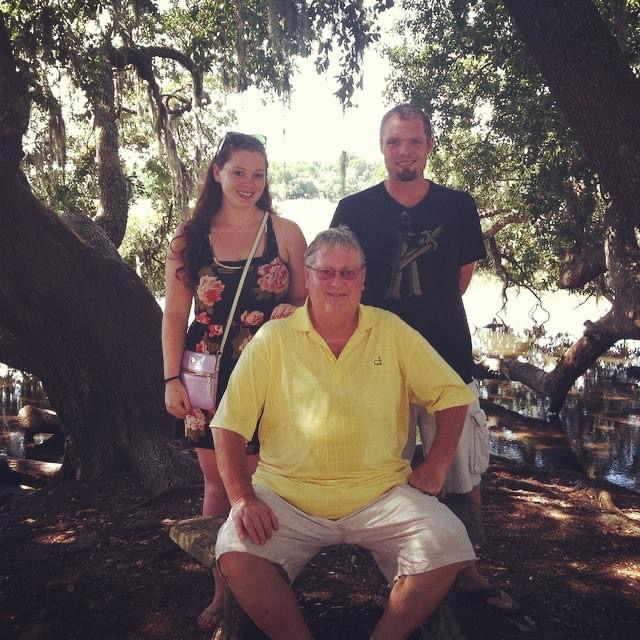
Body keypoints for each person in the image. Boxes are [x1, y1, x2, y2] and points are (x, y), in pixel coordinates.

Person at [211, 227, 477, 640]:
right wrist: (243, 498)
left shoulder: (390, 330)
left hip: (380, 494)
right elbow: (228, 424)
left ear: (364, 278)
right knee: (236, 553)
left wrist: (438, 464)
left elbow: (452, 394)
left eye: (349, 274)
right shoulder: (273, 339)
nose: (338, 283)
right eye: (327, 272)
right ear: (309, 274)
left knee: (447, 542)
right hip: (287, 496)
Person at [331, 104, 516, 611]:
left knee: (458, 467)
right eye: (394, 142)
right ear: (382, 146)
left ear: (430, 145)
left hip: (445, 354)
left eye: (414, 141)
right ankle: (405, 568)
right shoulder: (354, 209)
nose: (404, 151)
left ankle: (469, 568)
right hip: (374, 357)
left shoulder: (458, 206)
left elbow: (460, 277)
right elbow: (340, 274)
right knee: (385, 464)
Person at [162, 132, 307, 631]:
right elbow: (175, 314)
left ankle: (268, 582)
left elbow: (312, 303)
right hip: (206, 373)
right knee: (219, 485)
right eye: (239, 171)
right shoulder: (188, 238)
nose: (249, 183)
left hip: (272, 374)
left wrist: (294, 308)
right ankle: (223, 593)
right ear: (217, 172)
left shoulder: (284, 232)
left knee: (265, 483)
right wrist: (170, 379)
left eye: (259, 174)